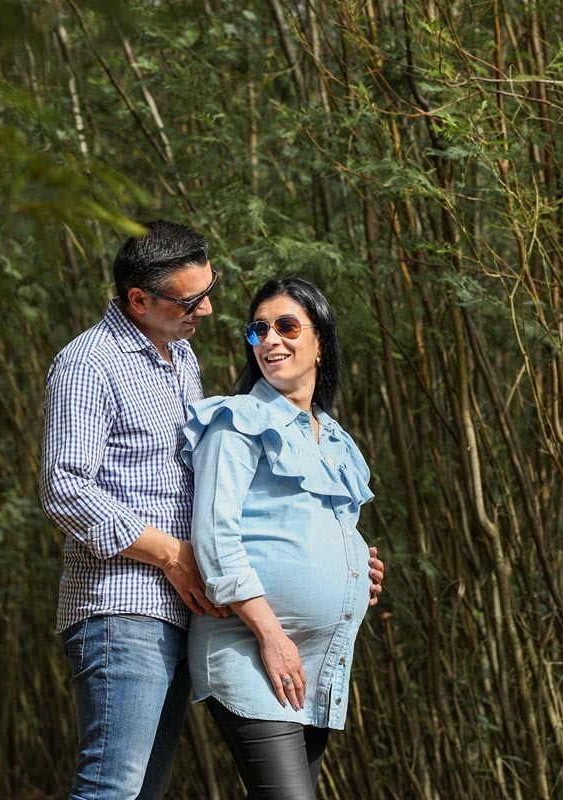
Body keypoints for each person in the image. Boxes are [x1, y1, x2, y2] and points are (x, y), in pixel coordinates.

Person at [39, 220, 224, 800]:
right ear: (139, 300)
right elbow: (64, 486)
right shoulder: (88, 363)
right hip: (120, 609)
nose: (208, 309)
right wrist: (170, 554)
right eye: (191, 301)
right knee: (110, 790)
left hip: (178, 611)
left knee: (143, 792)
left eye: (209, 290)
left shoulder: (182, 356)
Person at [180, 277, 381, 800]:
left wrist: (356, 569)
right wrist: (271, 636)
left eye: (287, 326)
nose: (270, 340)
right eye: (258, 330)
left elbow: (326, 528)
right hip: (252, 650)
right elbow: (215, 537)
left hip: (316, 662)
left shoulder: (335, 439)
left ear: (321, 341)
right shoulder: (235, 422)